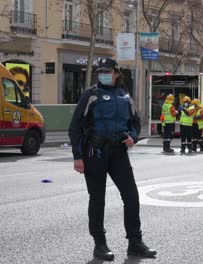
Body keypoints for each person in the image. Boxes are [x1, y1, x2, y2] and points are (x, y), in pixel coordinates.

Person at [68, 58, 156, 260]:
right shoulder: (91, 94)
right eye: (100, 72)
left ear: (116, 73)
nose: (103, 75)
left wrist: (133, 137)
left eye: (107, 71)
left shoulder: (125, 95)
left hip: (119, 152)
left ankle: (135, 242)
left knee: (131, 196)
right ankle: (100, 244)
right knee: (97, 200)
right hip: (94, 153)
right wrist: (77, 156)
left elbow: (136, 121)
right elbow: (75, 126)